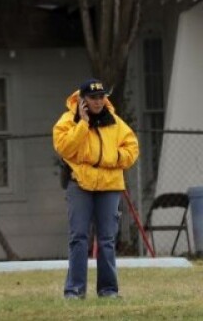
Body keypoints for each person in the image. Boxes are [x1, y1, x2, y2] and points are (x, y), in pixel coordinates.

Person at [52, 79, 139, 300]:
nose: (99, 102)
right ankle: (74, 290)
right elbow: (64, 148)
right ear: (82, 100)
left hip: (110, 185)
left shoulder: (116, 122)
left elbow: (131, 148)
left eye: (101, 97)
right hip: (80, 183)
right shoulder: (67, 121)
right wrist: (82, 124)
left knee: (107, 239)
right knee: (79, 237)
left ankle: (108, 290)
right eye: (93, 98)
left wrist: (115, 157)